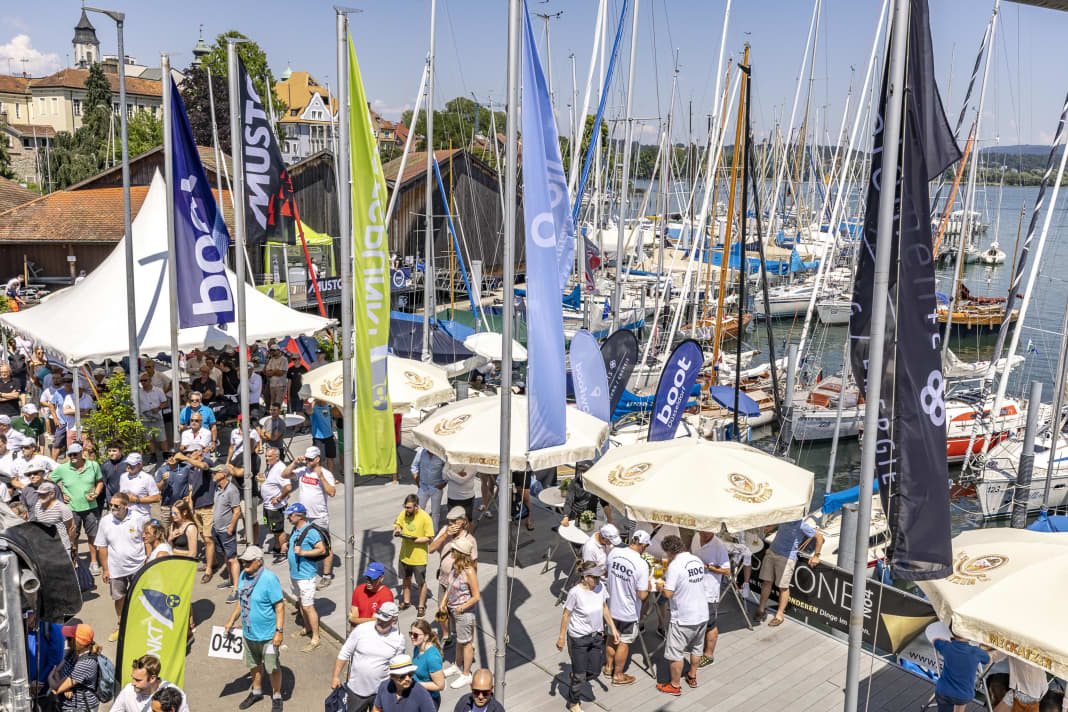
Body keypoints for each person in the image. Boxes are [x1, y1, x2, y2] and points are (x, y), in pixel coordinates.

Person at [223, 546, 285, 712]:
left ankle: (277, 695)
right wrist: (230, 621)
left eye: (248, 562)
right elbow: (240, 603)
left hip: (268, 636)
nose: (244, 564)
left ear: (258, 561)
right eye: (243, 561)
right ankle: (256, 692)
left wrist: (279, 631)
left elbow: (279, 606)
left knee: (272, 666)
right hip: (249, 634)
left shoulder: (269, 579)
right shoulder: (243, 576)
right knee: (254, 664)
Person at [557, 561, 620, 712]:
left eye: (599, 577)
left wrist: (613, 628)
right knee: (580, 676)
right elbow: (566, 615)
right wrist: (561, 638)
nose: (598, 580)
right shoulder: (575, 593)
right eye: (595, 577)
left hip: (596, 636)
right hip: (578, 638)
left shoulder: (600, 587)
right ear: (585, 577)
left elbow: (604, 608)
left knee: (595, 671)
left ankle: (576, 677)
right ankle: (573, 703)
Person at [655, 534, 710, 696]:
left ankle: (674, 685)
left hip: (684, 617)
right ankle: (692, 676)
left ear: (669, 552)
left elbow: (668, 593)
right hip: (702, 613)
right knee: (697, 648)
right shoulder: (696, 560)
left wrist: (660, 585)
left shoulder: (675, 566)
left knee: (676, 653)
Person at [332, 601, 405, 712]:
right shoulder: (361, 629)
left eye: (384, 621)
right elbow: (345, 652)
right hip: (355, 691)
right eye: (379, 618)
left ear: (394, 621)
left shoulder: (399, 639)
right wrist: (335, 676)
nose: (380, 622)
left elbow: (397, 667)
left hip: (381, 693)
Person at [94, 492, 148, 641]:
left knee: (140, 597)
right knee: (119, 598)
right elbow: (102, 546)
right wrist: (105, 569)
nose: (112, 508)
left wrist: (148, 560)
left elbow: (148, 540)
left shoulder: (139, 518)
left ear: (126, 505)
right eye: (110, 505)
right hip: (116, 569)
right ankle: (121, 625)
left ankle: (140, 625)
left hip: (138, 566)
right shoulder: (105, 521)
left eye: (116, 506)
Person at [603, 529, 651, 686]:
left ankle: (608, 667)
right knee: (624, 642)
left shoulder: (614, 552)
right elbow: (642, 595)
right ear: (643, 545)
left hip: (611, 607)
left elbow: (606, 572)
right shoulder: (641, 564)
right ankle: (618, 675)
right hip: (628, 611)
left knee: (611, 637)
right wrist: (648, 586)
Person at [282, 445, 336, 587]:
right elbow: (285, 475)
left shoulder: (326, 474)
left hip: (319, 516)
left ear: (317, 459)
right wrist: (294, 463)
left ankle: (326, 575)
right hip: (304, 517)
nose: (307, 462)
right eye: (306, 459)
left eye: (310, 459)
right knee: (303, 541)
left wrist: (321, 477)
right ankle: (307, 567)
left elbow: (332, 492)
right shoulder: (302, 471)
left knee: (325, 545)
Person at [756, 519, 824, 627]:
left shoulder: (801, 525)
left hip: (787, 558)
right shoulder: (785, 517)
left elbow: (819, 537)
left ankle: (779, 615)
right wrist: (771, 527)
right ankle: (761, 609)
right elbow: (779, 521)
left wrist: (816, 556)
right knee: (766, 582)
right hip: (772, 551)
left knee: (783, 587)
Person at [49, 443, 104, 572]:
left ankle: (94, 561)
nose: (72, 457)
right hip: (72, 509)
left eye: (75, 454)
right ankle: (75, 562)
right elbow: (48, 482)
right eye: (70, 455)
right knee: (73, 536)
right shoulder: (62, 468)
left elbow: (100, 482)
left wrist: (96, 493)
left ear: (81, 453)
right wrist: (60, 495)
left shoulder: (93, 465)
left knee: (92, 535)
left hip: (91, 507)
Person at [428, 507, 478, 645]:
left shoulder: (469, 539)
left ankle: (468, 641)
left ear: (462, 521)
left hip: (460, 584)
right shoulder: (445, 531)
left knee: (463, 614)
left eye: (454, 521)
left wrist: (472, 583)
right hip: (444, 579)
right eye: (449, 521)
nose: (451, 524)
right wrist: (445, 535)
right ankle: (446, 635)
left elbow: (474, 564)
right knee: (442, 608)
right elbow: (431, 549)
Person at [440, 537, 479, 689]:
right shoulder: (455, 567)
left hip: (465, 613)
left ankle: (466, 674)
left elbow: (476, 596)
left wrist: (462, 608)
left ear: (460, 553)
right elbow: (449, 587)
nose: (451, 551)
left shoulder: (469, 572)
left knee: (467, 643)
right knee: (459, 639)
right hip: (453, 610)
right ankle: (457, 665)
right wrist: (444, 602)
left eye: (454, 549)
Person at [285, 502, 323, 652]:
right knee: (301, 603)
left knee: (308, 606)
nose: (288, 518)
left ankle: (316, 638)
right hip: (295, 574)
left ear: (299, 516)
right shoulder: (295, 529)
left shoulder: (311, 532)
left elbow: (321, 549)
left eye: (290, 515)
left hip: (306, 576)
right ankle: (307, 628)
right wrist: (287, 546)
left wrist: (303, 553)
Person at [394, 494, 435, 616]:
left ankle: (421, 606)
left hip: (419, 558)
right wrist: (397, 529)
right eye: (405, 507)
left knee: (420, 582)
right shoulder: (404, 513)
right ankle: (407, 602)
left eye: (409, 507)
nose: (406, 509)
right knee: (406, 578)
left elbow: (429, 537)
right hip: (405, 555)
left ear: (416, 506)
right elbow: (398, 524)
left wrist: (415, 540)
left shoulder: (425, 518)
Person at [696, 530, 731, 667]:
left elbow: (727, 570)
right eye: (702, 531)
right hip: (696, 588)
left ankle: (708, 655)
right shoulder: (696, 537)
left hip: (710, 591)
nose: (704, 534)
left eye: (707, 532)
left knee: (710, 623)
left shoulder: (719, 546)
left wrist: (708, 567)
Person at [932, 631, 991, 712]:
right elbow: (989, 660)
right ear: (970, 637)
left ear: (952, 634)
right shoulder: (976, 651)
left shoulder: (946, 646)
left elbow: (934, 641)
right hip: (963, 695)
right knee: (961, 700)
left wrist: (946, 641)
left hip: (943, 691)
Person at [109, 654, 190, 712]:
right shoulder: (128, 690)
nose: (133, 683)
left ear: (152, 679)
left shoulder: (175, 696)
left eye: (138, 680)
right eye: (132, 678)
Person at [208, 468, 242, 604]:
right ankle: (230, 579)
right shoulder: (217, 488)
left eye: (215, 472)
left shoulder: (231, 490)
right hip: (217, 529)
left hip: (226, 531)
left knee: (232, 558)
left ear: (223, 474)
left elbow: (237, 511)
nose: (212, 474)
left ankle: (236, 589)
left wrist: (230, 529)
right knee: (225, 556)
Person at [50, 623, 101, 712]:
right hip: (68, 705)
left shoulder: (85, 664)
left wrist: (50, 677)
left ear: (77, 642)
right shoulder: (73, 652)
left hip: (80, 708)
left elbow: (56, 689)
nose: (66, 639)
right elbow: (57, 671)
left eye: (69, 638)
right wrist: (65, 687)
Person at [259, 446, 292, 561]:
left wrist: (278, 499)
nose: (267, 458)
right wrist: (264, 476)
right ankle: (277, 547)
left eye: (270, 456)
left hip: (275, 507)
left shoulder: (281, 469)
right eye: (266, 456)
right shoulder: (271, 465)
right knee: (274, 529)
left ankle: (283, 552)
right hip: (268, 505)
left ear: (277, 457)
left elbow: (288, 487)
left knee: (279, 530)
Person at [371, 654, 437, 712]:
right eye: (402, 676)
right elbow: (377, 709)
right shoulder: (384, 686)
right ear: (392, 676)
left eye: (410, 674)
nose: (407, 679)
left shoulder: (422, 693)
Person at [409, 619, 446, 707]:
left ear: (426, 637)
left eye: (415, 635)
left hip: (429, 700)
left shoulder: (432, 657)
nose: (412, 637)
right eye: (411, 633)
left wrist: (415, 684)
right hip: (418, 694)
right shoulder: (417, 648)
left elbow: (440, 685)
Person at [33, 481, 75, 556]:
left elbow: (71, 527)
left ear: (52, 494)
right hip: (45, 547)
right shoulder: (37, 506)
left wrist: (71, 543)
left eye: (44, 494)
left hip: (62, 547)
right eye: (39, 494)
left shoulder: (62, 508)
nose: (40, 496)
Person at [349, 561, 396, 627]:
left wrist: (352, 619)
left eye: (373, 579)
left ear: (381, 578)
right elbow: (354, 619)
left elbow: (376, 622)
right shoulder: (359, 589)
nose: (368, 582)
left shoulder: (387, 596)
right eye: (367, 577)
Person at [411, 447, 446, 531]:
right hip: (423, 486)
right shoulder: (420, 452)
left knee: (435, 512)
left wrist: (444, 483)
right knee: (418, 509)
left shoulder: (442, 455)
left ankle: (434, 531)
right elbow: (414, 466)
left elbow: (448, 470)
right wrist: (417, 481)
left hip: (436, 488)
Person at [153, 450, 188, 533]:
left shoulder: (185, 468)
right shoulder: (162, 470)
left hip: (180, 506)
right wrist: (163, 481)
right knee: (166, 530)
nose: (171, 458)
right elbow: (157, 488)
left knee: (181, 530)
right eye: (169, 456)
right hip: (166, 506)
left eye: (174, 456)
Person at [119, 453, 160, 520]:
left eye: (131, 464)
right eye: (127, 464)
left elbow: (157, 498)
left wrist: (136, 500)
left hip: (142, 517)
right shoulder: (123, 477)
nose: (128, 466)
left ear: (139, 465)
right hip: (126, 516)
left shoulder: (147, 478)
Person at [305, 400, 341, 474]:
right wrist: (314, 401)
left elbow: (336, 413)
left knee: (330, 458)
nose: (324, 401)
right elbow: (308, 412)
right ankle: (319, 476)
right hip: (318, 438)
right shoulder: (313, 407)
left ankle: (330, 476)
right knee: (318, 460)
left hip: (329, 436)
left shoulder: (327, 406)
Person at [138, 372, 168, 459]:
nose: (143, 382)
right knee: (149, 439)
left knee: (162, 438)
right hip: (145, 419)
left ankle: (166, 455)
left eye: (145, 380)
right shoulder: (138, 392)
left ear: (150, 380)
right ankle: (153, 456)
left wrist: (158, 408)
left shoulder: (158, 390)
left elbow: (165, 402)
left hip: (157, 418)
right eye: (141, 381)